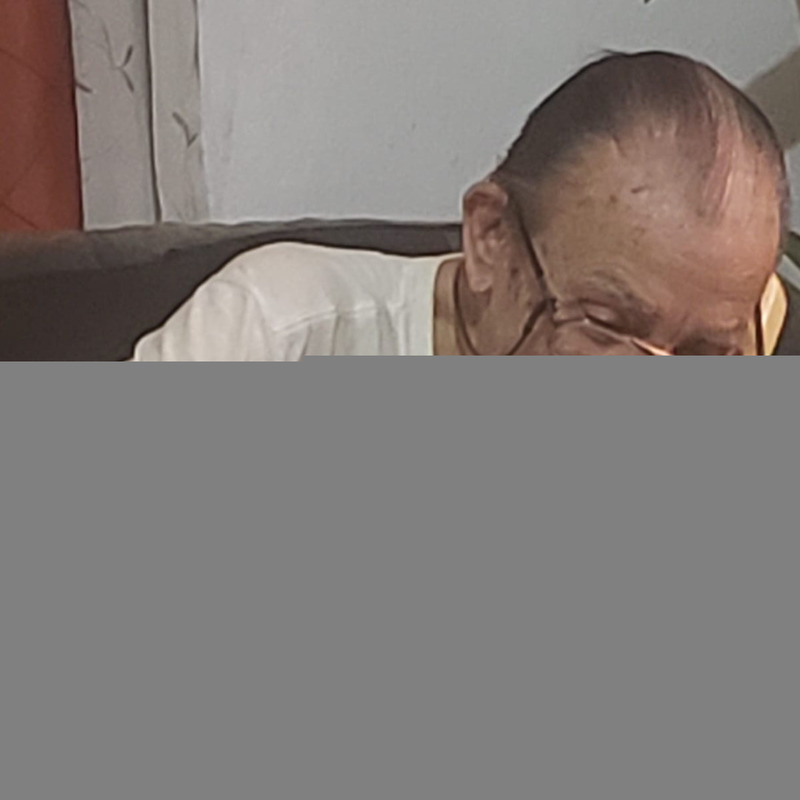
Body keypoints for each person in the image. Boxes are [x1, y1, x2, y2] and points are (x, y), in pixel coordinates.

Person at [131, 50, 790, 360]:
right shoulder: (278, 329)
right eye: (603, 324)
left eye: (704, 356)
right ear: (491, 235)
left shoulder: (735, 324)